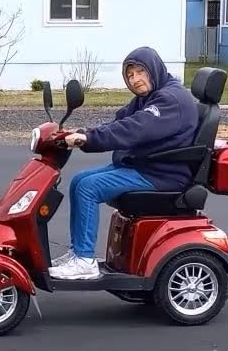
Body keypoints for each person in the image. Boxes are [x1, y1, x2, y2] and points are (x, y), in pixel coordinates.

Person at [47, 46, 200, 280]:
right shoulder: (150, 96)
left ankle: (85, 261)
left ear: (154, 68)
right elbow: (119, 121)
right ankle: (78, 253)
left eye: (140, 72)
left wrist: (90, 139)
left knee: (88, 187)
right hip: (147, 166)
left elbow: (133, 129)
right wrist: (83, 132)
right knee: (79, 180)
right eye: (130, 75)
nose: (135, 79)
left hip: (161, 174)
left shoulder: (170, 100)